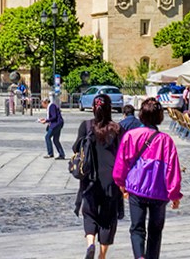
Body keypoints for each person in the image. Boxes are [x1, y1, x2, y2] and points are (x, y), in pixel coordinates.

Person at [112, 97, 182, 259]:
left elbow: (122, 163)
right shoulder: (166, 141)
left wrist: (121, 183)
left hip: (136, 188)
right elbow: (172, 170)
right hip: (159, 190)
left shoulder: (131, 136)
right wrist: (174, 194)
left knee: (137, 228)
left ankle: (139, 256)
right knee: (155, 231)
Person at [74, 94, 125, 259]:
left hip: (90, 178)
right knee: (108, 217)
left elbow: (76, 149)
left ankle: (90, 244)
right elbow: (123, 156)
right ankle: (102, 256)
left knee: (89, 213)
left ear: (93, 108)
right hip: (111, 179)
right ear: (110, 108)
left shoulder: (86, 125)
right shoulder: (117, 129)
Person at [42, 93, 66, 159]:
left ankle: (50, 153)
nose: (42, 105)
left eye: (43, 103)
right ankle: (61, 154)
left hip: (56, 124)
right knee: (55, 140)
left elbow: (54, 116)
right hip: (58, 123)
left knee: (47, 137)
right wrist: (45, 119)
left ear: (45, 102)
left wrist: (46, 121)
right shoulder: (50, 106)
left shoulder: (51, 106)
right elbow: (52, 117)